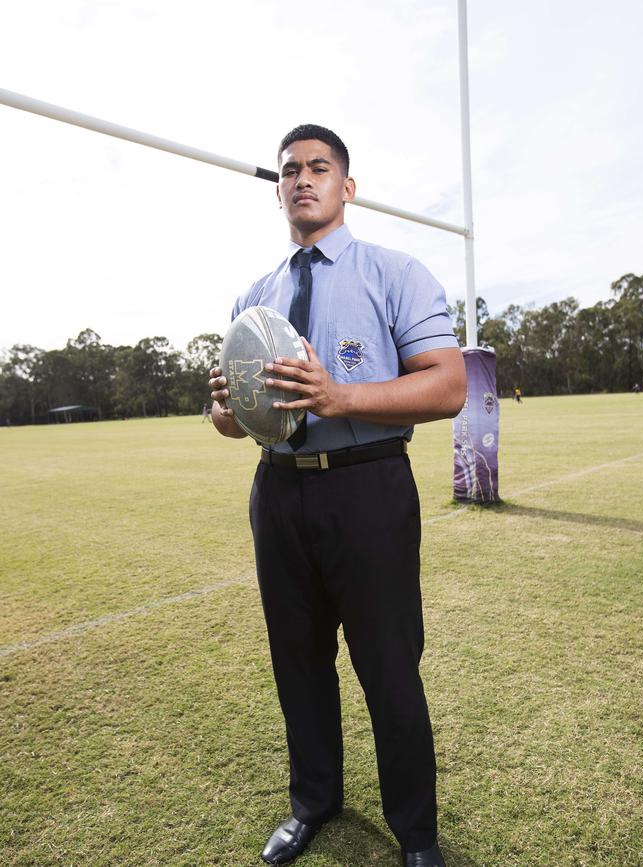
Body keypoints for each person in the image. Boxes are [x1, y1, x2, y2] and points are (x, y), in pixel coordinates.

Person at [209, 124, 466, 867]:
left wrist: (338, 393)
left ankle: (416, 835)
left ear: (346, 187)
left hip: (367, 489)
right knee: (298, 662)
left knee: (389, 666)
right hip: (278, 492)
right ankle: (313, 803)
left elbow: (447, 386)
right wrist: (226, 406)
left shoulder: (394, 271)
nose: (302, 178)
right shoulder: (254, 297)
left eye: (319, 167)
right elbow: (228, 421)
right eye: (290, 169)